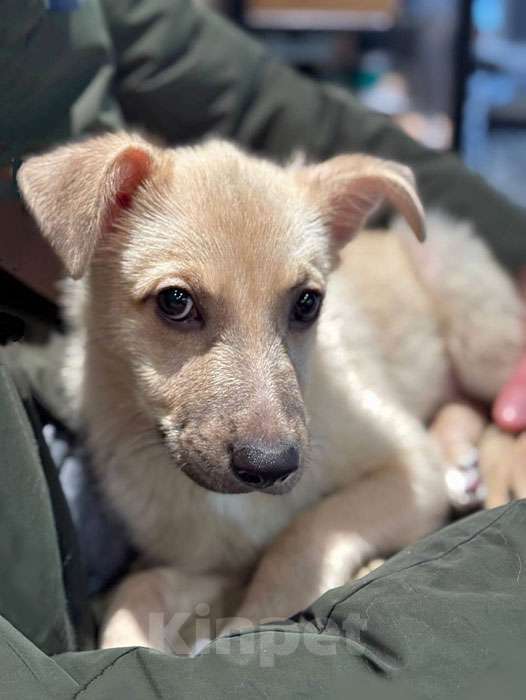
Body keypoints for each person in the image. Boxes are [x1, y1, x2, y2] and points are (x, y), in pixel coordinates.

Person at [1, 1, 525, 696]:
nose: (268, 437)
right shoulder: (119, 411)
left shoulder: (317, 387)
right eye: (178, 303)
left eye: (301, 306)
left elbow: (410, 475)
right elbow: (208, 564)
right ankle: (462, 418)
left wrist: (304, 554)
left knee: (460, 295)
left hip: (435, 329)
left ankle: (474, 415)